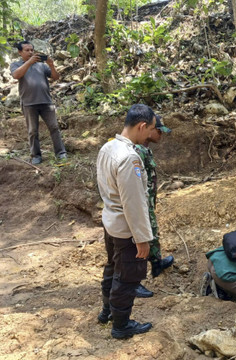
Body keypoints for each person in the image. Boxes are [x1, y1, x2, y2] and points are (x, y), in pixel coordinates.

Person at [96, 104, 157, 339]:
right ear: (141, 126)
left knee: (112, 268)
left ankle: (107, 312)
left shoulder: (108, 147)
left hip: (110, 221)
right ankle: (121, 325)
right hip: (126, 228)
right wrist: (143, 238)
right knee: (128, 275)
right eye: (150, 129)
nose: (150, 134)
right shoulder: (129, 158)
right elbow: (134, 203)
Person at [133, 114, 175, 298]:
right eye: (158, 131)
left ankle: (156, 263)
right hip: (141, 201)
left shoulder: (145, 149)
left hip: (148, 200)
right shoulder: (136, 152)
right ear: (147, 130)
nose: (160, 135)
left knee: (152, 232)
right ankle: (134, 281)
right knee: (141, 237)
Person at [10, 40, 67, 165]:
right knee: (32, 131)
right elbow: (16, 75)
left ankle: (61, 153)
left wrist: (51, 65)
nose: (30, 52)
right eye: (27, 50)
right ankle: (36, 155)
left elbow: (56, 77)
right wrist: (29, 62)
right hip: (29, 103)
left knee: (54, 127)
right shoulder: (16, 65)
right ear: (20, 52)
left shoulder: (41, 65)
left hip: (46, 102)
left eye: (32, 50)